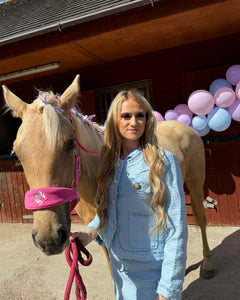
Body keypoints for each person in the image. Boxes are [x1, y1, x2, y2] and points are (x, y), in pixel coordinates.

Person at [71, 89, 188, 300]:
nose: (134, 122)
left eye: (140, 115)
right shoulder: (108, 163)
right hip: (119, 270)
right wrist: (88, 234)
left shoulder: (164, 161)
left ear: (147, 119)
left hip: (152, 272)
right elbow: (108, 209)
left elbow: (177, 230)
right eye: (126, 116)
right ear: (115, 120)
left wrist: (167, 291)